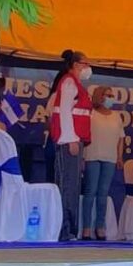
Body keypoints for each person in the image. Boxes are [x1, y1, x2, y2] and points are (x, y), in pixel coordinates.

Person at [48, 49, 92, 242]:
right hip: (69, 141)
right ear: (76, 65)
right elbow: (65, 112)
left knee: (72, 186)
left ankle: (69, 230)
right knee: (67, 186)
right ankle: (64, 230)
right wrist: (71, 138)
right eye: (85, 64)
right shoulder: (68, 82)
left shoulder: (76, 84)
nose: (88, 68)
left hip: (75, 140)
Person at [81, 86, 124, 241]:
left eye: (112, 95)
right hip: (92, 155)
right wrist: (82, 158)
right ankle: (86, 228)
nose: (111, 98)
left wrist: (120, 157)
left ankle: (100, 227)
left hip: (110, 158)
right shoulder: (91, 113)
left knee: (103, 193)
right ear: (100, 96)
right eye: (108, 95)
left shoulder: (117, 116)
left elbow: (121, 138)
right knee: (90, 191)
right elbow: (83, 135)